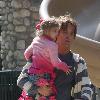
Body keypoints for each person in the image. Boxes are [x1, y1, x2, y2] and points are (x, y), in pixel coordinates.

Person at [17, 15, 93, 100]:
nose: (68, 36)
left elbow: (87, 87)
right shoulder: (41, 54)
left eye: (71, 33)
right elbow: (21, 79)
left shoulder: (78, 61)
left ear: (74, 37)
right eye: (64, 32)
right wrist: (38, 89)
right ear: (56, 33)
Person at [17, 17, 71, 100]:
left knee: (31, 95)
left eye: (58, 31)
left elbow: (26, 54)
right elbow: (55, 63)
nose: (57, 34)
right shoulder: (52, 45)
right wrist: (64, 66)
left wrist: (33, 60)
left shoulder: (36, 40)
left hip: (33, 75)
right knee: (46, 93)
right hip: (44, 76)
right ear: (47, 31)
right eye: (55, 31)